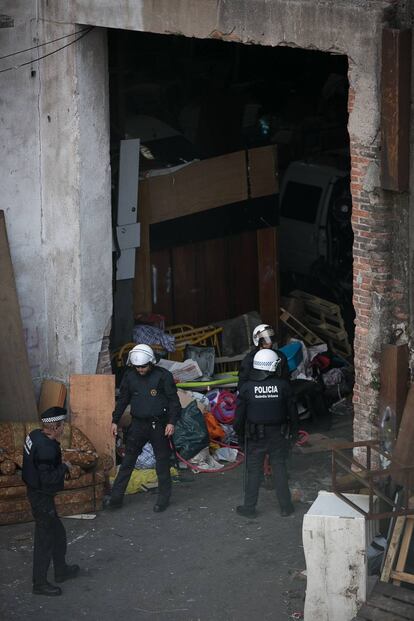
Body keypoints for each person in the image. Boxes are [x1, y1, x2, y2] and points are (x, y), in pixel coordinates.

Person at [109, 344, 181, 512]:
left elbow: (173, 402)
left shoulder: (163, 376)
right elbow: (123, 400)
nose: (140, 370)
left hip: (159, 425)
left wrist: (171, 422)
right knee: (128, 462)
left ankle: (163, 500)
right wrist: (115, 420)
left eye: (143, 366)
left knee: (162, 463)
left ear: (151, 362)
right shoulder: (129, 377)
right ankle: (115, 499)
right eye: (137, 367)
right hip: (138, 425)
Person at [234, 349, 298, 518]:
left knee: (254, 471)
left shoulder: (247, 388)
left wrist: (240, 436)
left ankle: (249, 508)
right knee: (279, 469)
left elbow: (239, 417)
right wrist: (294, 432)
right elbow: (292, 412)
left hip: (255, 437)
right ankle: (286, 507)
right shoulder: (283, 386)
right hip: (278, 435)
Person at [22, 407, 80, 596]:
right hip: (41, 497)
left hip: (37, 493)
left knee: (58, 534)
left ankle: (61, 570)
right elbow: (47, 478)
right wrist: (65, 467)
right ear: (54, 427)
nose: (63, 428)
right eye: (62, 425)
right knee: (45, 540)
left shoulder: (35, 434)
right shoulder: (47, 448)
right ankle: (39, 584)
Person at [238, 324, 289, 389]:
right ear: (257, 340)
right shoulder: (249, 359)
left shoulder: (280, 356)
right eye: (265, 340)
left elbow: (286, 380)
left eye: (271, 339)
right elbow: (242, 383)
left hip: (276, 390)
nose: (269, 342)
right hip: (255, 390)